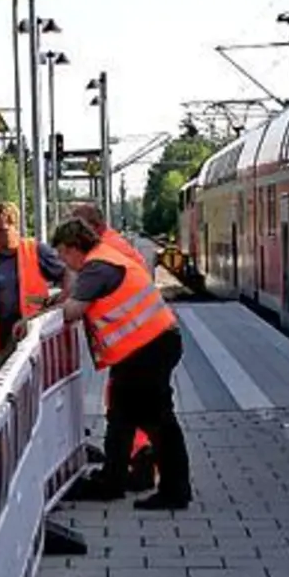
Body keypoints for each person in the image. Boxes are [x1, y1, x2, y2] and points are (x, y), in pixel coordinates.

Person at [49, 218, 191, 510]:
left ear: (75, 247)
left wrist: (36, 319)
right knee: (121, 416)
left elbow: (73, 310)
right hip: (146, 347)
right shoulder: (104, 259)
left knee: (158, 420)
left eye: (63, 252)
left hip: (148, 348)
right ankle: (111, 480)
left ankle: (175, 490)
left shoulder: (97, 267)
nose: (63, 260)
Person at [70, 203, 157, 492]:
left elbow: (80, 299)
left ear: (91, 228)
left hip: (136, 338)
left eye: (78, 231)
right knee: (128, 405)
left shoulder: (103, 254)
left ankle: (135, 466)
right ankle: (131, 467)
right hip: (141, 336)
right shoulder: (113, 245)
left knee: (126, 408)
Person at [0, 201, 68, 376]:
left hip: (33, 334)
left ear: (15, 227)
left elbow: (67, 276)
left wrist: (60, 304)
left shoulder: (36, 251)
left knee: (33, 381)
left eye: (1, 230)